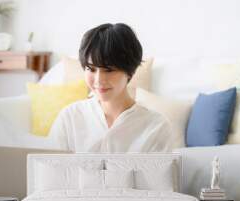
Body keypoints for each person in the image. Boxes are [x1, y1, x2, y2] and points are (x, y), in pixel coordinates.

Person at [49, 23, 172, 152]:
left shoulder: (156, 127)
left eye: (108, 70)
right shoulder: (70, 118)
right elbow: (48, 169)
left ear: (130, 71)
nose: (98, 80)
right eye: (91, 69)